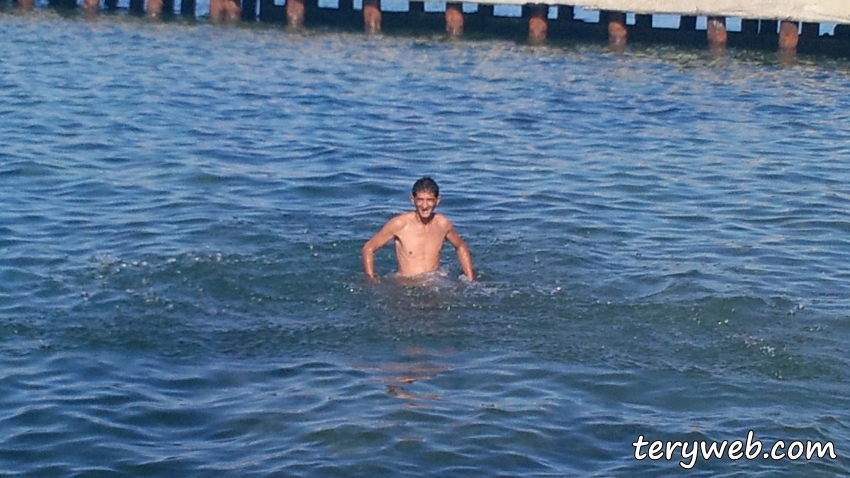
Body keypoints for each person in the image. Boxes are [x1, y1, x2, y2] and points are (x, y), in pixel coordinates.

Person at [362, 177, 474, 283]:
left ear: (438, 200)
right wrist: (371, 279)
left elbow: (461, 246)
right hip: (406, 283)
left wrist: (470, 278)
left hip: (434, 281)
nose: (424, 206)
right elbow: (368, 248)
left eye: (429, 200)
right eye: (420, 200)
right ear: (412, 200)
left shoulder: (442, 224)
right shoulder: (400, 224)